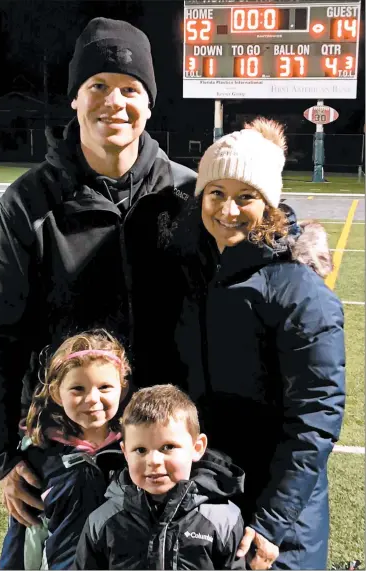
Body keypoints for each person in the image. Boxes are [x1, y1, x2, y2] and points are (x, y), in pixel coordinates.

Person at [0, 16, 197, 528]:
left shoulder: (188, 196)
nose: (113, 102)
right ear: (75, 98)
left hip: (165, 452)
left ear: (148, 103)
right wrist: (4, 457)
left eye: (129, 89)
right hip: (65, 447)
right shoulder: (28, 203)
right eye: (97, 86)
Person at [165, 118, 346, 569]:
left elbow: (315, 420)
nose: (228, 209)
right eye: (216, 193)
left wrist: (271, 522)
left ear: (268, 204)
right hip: (209, 495)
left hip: (276, 517)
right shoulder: (194, 274)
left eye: (245, 196)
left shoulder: (300, 291)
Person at [74, 384, 246, 570]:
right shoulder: (102, 521)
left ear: (197, 448)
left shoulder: (223, 519)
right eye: (140, 450)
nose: (154, 461)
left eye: (168, 447)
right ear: (125, 452)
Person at [0, 329, 130, 570]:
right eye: (78, 389)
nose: (92, 398)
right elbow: (27, 535)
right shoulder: (38, 457)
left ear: (122, 388)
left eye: (105, 387)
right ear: (57, 394)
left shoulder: (135, 449)